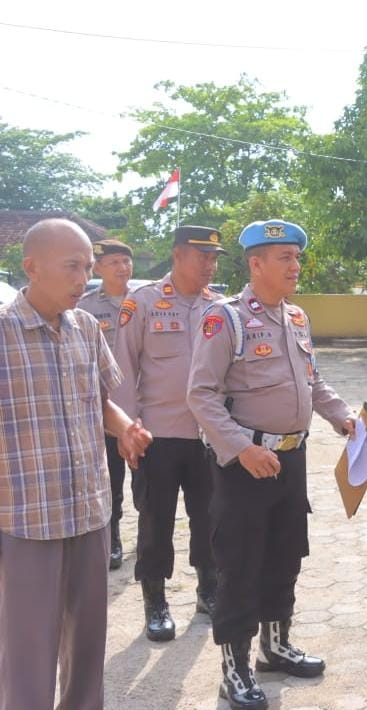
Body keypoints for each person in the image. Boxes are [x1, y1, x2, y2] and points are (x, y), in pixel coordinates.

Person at [188, 219, 356, 710]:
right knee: (239, 565)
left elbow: (314, 382)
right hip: (244, 464)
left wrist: (343, 417)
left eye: (297, 258)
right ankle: (233, 670)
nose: (295, 266)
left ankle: (275, 647)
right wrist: (242, 447)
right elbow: (200, 394)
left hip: (290, 458)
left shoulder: (297, 317)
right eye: (284, 258)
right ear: (256, 263)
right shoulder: (226, 318)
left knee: (286, 555)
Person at [0, 219, 152, 710]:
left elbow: (102, 400)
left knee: (88, 645)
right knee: (29, 650)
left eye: (87, 266)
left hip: (89, 511)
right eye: (72, 266)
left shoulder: (86, 327)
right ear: (32, 268)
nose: (82, 278)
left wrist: (125, 426)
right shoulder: (4, 334)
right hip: (25, 520)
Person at [113, 225, 225, 642]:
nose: (210, 266)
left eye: (214, 259)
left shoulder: (220, 307)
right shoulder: (142, 303)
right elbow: (123, 369)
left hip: (209, 436)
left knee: (209, 516)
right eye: (203, 257)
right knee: (156, 520)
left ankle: (208, 589)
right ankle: (155, 601)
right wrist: (128, 429)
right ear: (178, 255)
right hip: (157, 435)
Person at [77, 238, 135, 570]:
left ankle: (150, 536)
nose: (122, 268)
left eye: (125, 261)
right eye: (113, 262)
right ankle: (112, 536)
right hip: (106, 407)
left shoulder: (144, 301)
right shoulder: (83, 307)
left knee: (150, 483)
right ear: (98, 268)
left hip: (143, 406)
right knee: (111, 478)